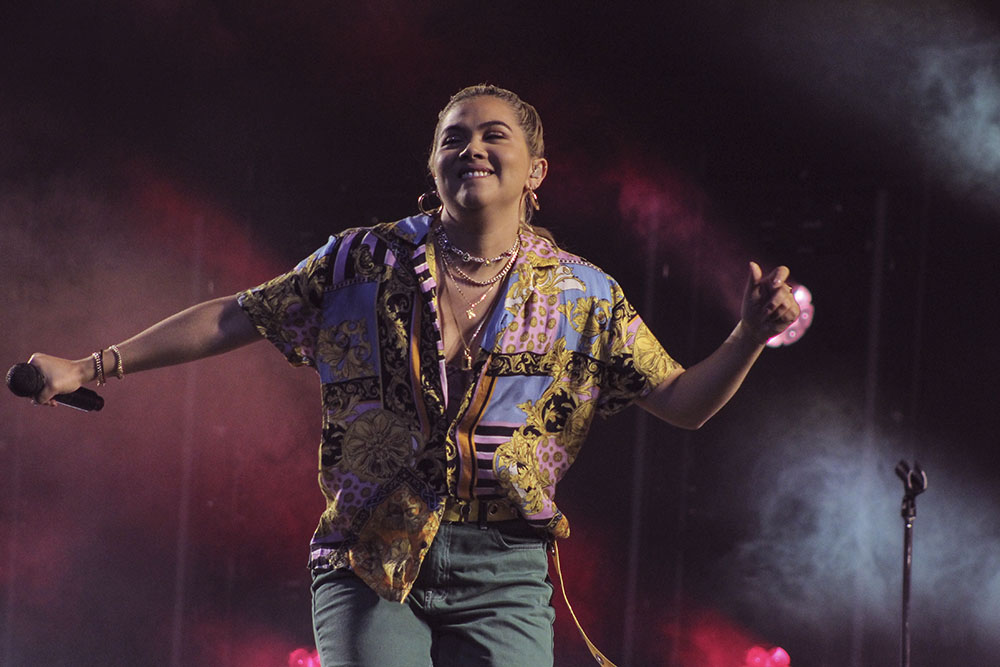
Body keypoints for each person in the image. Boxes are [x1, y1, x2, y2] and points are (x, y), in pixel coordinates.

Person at [24, 84, 800, 667]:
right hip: (369, 554)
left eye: (494, 135)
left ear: (537, 170)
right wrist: (88, 365)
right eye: (453, 136)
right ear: (432, 163)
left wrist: (748, 336)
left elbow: (683, 402)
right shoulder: (361, 259)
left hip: (506, 564)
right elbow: (238, 315)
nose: (473, 147)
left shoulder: (585, 294)